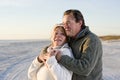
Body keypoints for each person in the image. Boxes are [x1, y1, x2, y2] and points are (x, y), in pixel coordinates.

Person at [40, 9, 103, 80]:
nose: (65, 26)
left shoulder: (91, 40)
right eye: (63, 23)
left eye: (68, 22)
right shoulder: (70, 37)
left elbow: (85, 68)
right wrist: (44, 55)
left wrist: (61, 58)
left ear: (79, 23)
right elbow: (53, 46)